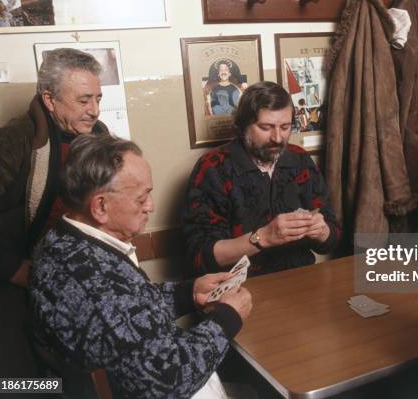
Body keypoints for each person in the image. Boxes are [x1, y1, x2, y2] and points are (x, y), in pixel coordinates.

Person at [30, 134, 252, 398]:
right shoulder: (96, 282)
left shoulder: (62, 241)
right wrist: (227, 317)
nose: (151, 206)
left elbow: (126, 314)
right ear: (100, 206)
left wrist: (188, 293)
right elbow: (170, 380)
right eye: (141, 197)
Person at [0, 47, 108, 378]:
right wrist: (14, 269)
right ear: (49, 99)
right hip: (13, 286)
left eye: (98, 99)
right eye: (84, 100)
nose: (95, 110)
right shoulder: (11, 143)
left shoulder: (100, 141)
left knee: (77, 384)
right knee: (19, 384)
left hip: (74, 285)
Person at [184, 81, 339, 276]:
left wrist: (322, 231)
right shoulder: (213, 168)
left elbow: (332, 240)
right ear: (243, 126)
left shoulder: (299, 160)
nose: (277, 138)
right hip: (240, 288)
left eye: (285, 127)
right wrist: (264, 237)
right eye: (266, 127)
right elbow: (200, 257)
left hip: (301, 280)